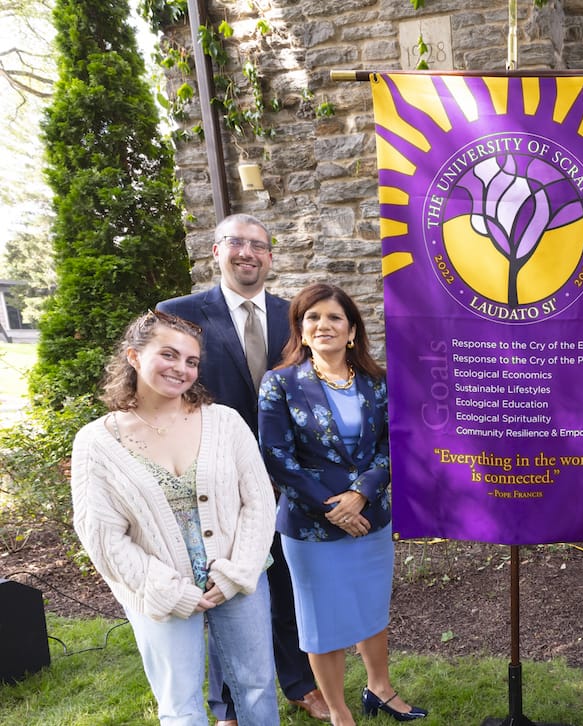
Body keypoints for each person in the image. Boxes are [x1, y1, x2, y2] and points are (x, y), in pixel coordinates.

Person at [158, 213, 328, 724]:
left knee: (285, 584)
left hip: (283, 477)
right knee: (222, 585)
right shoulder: (180, 313)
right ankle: (228, 701)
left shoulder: (291, 314)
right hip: (212, 476)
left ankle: (299, 682)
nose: (247, 253)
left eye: (259, 246)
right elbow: (167, 388)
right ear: (217, 251)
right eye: (237, 243)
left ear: (271, 257)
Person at [71, 310, 279, 726]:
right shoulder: (96, 442)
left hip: (237, 581)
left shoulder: (226, 423)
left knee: (256, 688)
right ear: (133, 356)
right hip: (160, 592)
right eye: (169, 355)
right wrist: (166, 589)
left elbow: (258, 502)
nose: (181, 369)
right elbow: (101, 536)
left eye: (191, 361)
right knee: (180, 705)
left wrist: (236, 572)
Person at [258, 283, 427, 725]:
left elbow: (395, 444)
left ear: (351, 330)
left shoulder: (378, 381)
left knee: (372, 607)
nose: (323, 325)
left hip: (370, 518)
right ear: (300, 329)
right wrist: (333, 507)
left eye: (333, 317)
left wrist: (360, 495)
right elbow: (276, 456)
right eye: (312, 318)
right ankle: (339, 713)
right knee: (322, 623)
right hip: (311, 527)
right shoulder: (280, 383)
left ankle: (380, 690)